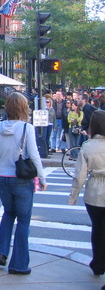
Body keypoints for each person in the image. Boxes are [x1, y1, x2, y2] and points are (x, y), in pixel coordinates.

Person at [0, 92, 47, 275]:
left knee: (8, 213)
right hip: (21, 179)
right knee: (23, 220)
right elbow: (34, 155)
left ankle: (2, 252)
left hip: (2, 178)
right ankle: (19, 264)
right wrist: (42, 178)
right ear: (23, 108)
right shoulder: (26, 128)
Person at [69, 111, 105, 276]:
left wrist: (73, 196)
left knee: (98, 230)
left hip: (95, 193)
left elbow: (80, 175)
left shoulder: (88, 146)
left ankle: (98, 263)